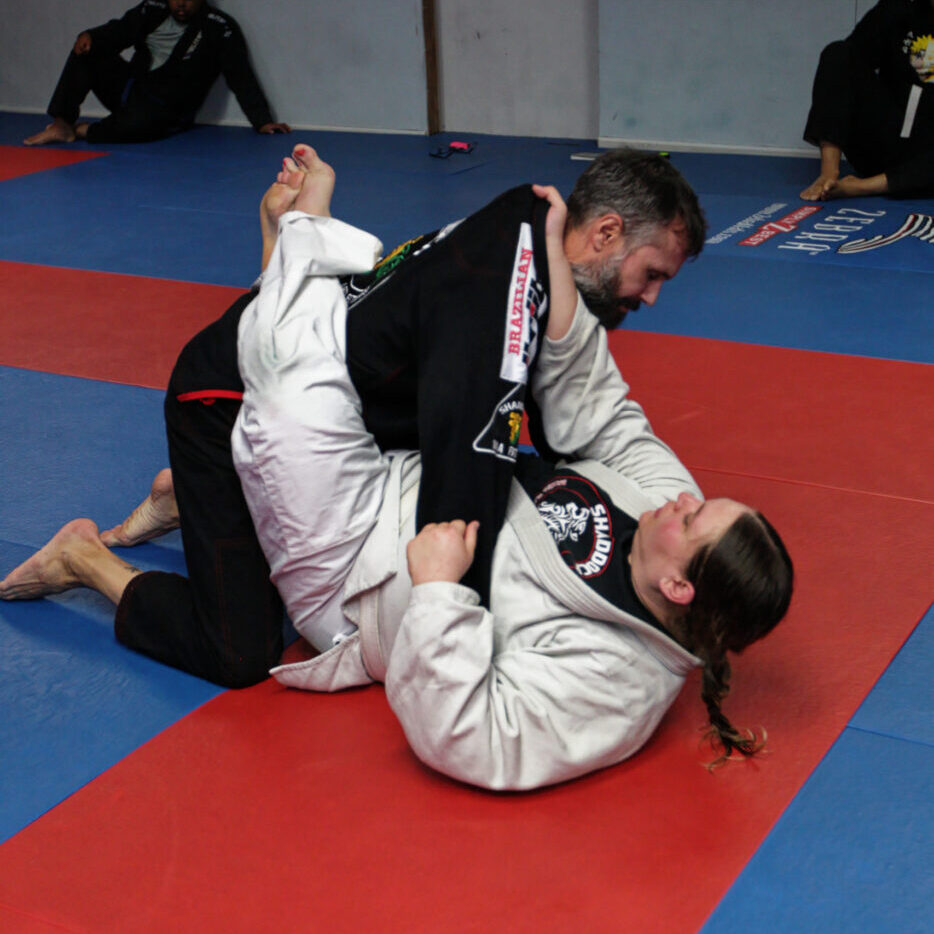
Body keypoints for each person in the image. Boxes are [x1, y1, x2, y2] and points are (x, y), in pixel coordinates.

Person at [1, 148, 793, 791]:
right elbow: (609, 418)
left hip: (364, 552)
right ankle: (223, 445)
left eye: (692, 520)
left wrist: (444, 593)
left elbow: (476, 736)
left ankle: (87, 555)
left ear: (681, 587)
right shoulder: (659, 492)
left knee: (239, 650)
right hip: (349, 448)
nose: (679, 498)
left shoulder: (616, 679)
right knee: (461, 372)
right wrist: (555, 290)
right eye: (653, 275)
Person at [23, 0, 289, 146]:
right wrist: (92, 36)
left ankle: (81, 131)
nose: (181, 4)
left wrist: (262, 120)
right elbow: (118, 31)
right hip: (131, 91)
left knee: (140, 127)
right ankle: (61, 123)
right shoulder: (151, 10)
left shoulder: (219, 28)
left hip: (167, 110)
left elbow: (240, 74)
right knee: (87, 48)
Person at [800, 0, 934, 201]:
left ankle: (860, 187)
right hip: (884, 142)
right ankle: (828, 176)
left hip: (926, 160)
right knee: (838, 54)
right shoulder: (899, 8)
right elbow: (847, 63)